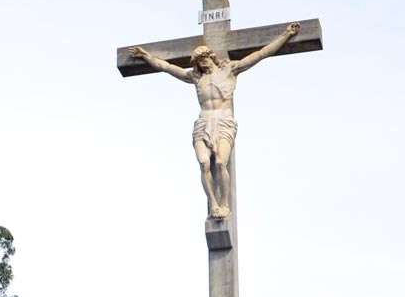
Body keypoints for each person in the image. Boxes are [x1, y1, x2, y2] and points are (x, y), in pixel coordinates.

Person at [129, 22, 301, 219]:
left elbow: (262, 54)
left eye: (203, 60)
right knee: (204, 162)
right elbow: (167, 67)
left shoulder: (230, 70)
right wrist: (147, 56)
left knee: (220, 162)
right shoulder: (196, 78)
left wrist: (286, 35)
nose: (201, 65)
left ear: (210, 57)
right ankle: (213, 203)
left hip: (224, 122)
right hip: (203, 123)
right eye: (198, 62)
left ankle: (224, 203)